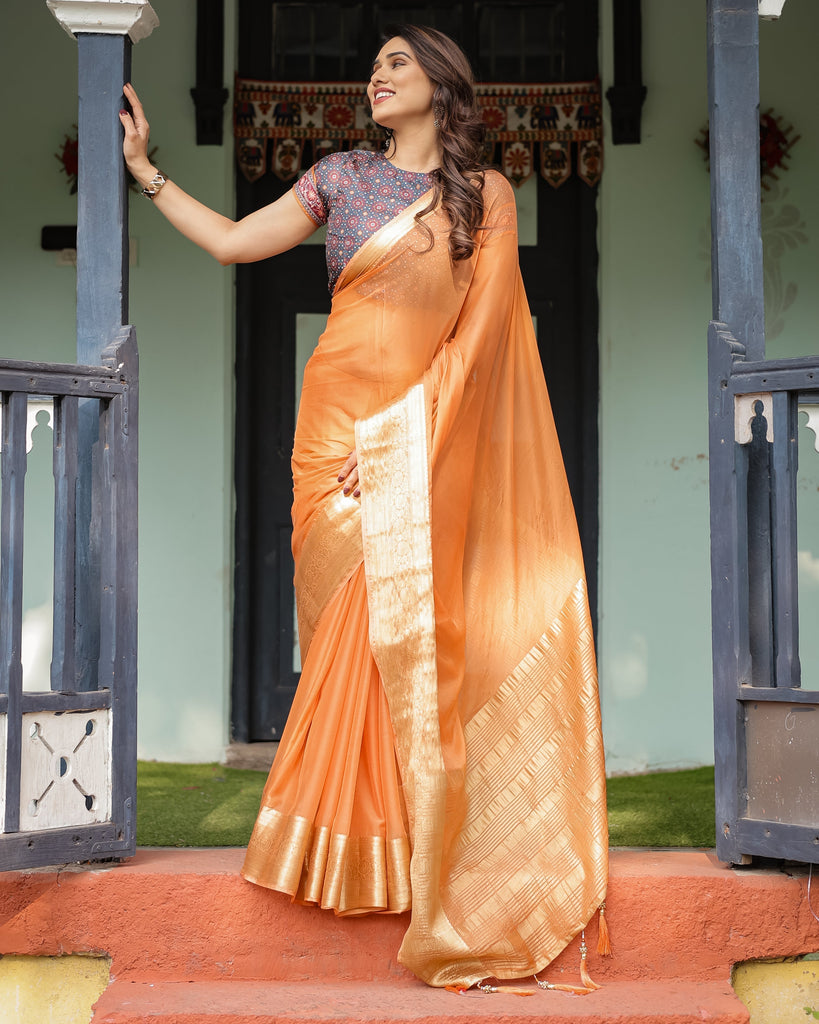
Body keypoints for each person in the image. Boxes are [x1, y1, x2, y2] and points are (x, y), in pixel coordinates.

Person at [121, 24, 608, 991]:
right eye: (374, 65)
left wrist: (401, 440)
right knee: (340, 628)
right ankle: (355, 856)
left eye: (396, 63)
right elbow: (230, 243)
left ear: (440, 82)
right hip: (326, 432)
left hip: (410, 439)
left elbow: (474, 346)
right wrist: (146, 171)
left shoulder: (486, 197)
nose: (376, 76)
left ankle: (410, 862)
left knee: (403, 642)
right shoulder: (338, 175)